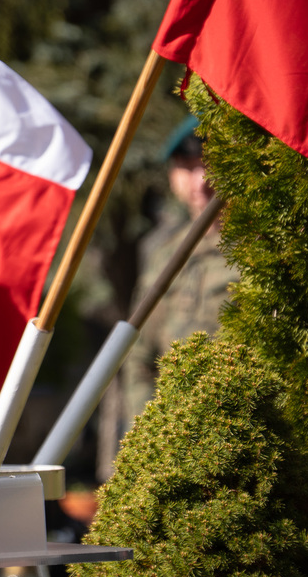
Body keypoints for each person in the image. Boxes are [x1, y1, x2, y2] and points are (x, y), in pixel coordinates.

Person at [97, 115, 237, 480]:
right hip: (173, 444)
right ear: (173, 177)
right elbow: (140, 357)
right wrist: (150, 439)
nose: (200, 180)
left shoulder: (259, 249)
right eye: (188, 167)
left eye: (210, 165)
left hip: (237, 435)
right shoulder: (163, 254)